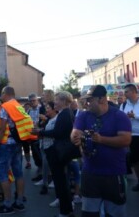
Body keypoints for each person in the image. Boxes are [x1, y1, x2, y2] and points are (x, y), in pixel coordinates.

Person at [71, 85, 131, 217]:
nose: (87, 103)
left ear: (102, 99)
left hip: (114, 174)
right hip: (90, 173)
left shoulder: (119, 116)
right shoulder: (84, 115)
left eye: (90, 100)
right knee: (89, 213)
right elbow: (74, 133)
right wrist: (76, 138)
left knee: (115, 213)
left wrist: (101, 139)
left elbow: (126, 140)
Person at [33, 91, 76, 217]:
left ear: (63, 101)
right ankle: (67, 209)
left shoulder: (65, 114)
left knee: (61, 182)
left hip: (60, 151)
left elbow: (58, 133)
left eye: (56, 100)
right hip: (60, 150)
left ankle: (65, 211)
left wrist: (40, 132)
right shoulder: (65, 113)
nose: (54, 102)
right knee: (60, 181)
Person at [0, 86, 28, 215]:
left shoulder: (5, 107)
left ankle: (7, 204)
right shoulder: (19, 106)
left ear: (5, 94)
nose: (1, 97)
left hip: (6, 144)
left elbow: (2, 129)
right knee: (18, 173)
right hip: (18, 143)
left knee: (2, 174)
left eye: (1, 94)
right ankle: (19, 202)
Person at [120, 83, 139, 191]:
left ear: (133, 91)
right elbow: (120, 117)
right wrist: (126, 117)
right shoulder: (124, 105)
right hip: (132, 135)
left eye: (126, 92)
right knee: (135, 160)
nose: (124, 94)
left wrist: (134, 116)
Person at [25, 93, 44, 176]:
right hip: (32, 135)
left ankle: (43, 170)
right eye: (31, 101)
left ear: (37, 100)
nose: (33, 102)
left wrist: (39, 125)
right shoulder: (29, 111)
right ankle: (39, 167)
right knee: (35, 153)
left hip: (41, 134)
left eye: (34, 100)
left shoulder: (42, 109)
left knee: (41, 153)